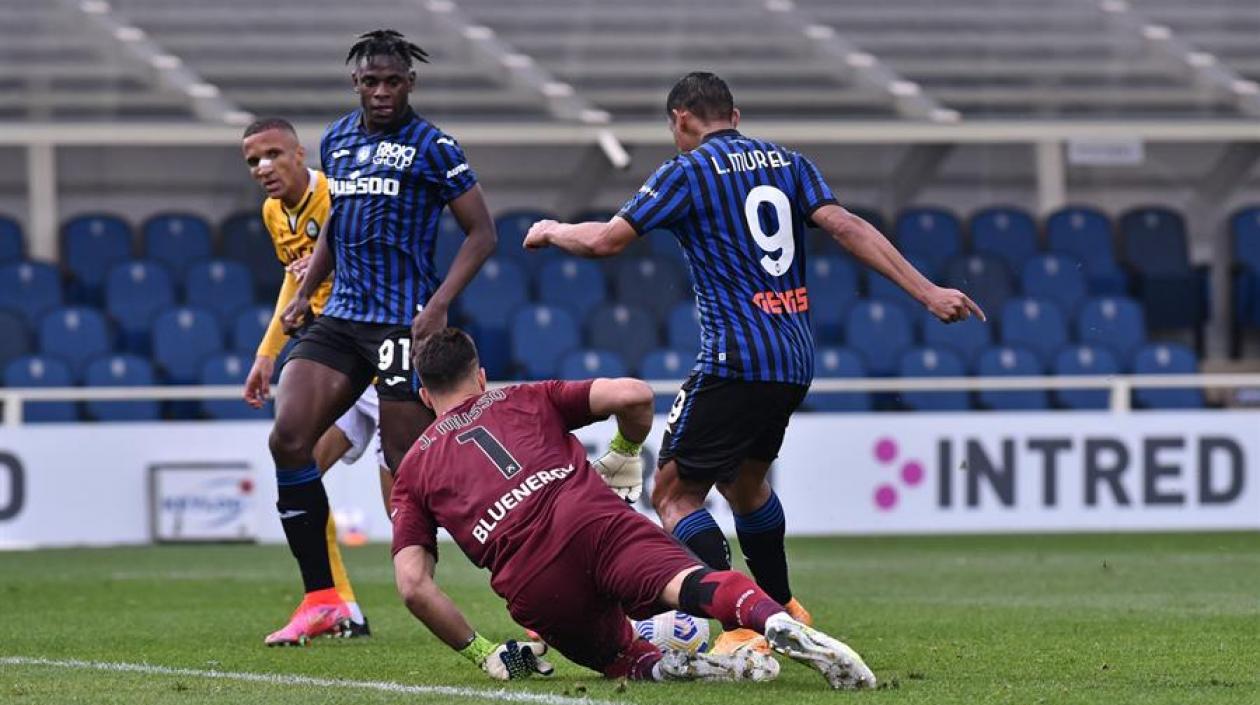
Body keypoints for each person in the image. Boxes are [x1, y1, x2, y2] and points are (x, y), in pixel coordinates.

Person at [523, 72, 983, 654]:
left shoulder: (686, 170)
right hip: (793, 357)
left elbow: (606, 241)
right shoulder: (790, 163)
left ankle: (740, 626)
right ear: (735, 116)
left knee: (674, 495)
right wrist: (927, 291)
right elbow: (846, 225)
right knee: (746, 485)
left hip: (734, 358)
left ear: (681, 120)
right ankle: (784, 607)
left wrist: (553, 230)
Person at [390, 328, 876, 689]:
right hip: (591, 519)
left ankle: (681, 666)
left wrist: (484, 653)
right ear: (480, 376)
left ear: (425, 395)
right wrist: (623, 452)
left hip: (533, 579)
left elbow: (413, 586)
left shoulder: (412, 470)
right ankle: (772, 621)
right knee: (691, 584)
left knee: (623, 660)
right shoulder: (524, 396)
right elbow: (635, 394)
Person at [262, 29, 496, 646]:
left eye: (393, 81)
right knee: (288, 438)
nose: (383, 91)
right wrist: (310, 287)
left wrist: (439, 306)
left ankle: (512, 567)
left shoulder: (435, 146)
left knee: (411, 470)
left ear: (410, 83)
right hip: (341, 317)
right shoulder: (337, 139)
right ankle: (322, 598)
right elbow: (338, 220)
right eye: (372, 81)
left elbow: (482, 234)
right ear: (357, 84)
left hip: (403, 321)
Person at [240, 117, 396, 640]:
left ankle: (532, 606)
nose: (264, 168)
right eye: (253, 161)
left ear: (300, 153)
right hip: (332, 363)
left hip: (377, 358)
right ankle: (338, 605)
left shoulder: (338, 193)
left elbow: (371, 263)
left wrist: (321, 275)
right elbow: (295, 282)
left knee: (409, 510)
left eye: (273, 155)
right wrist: (267, 354)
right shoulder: (272, 213)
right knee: (300, 465)